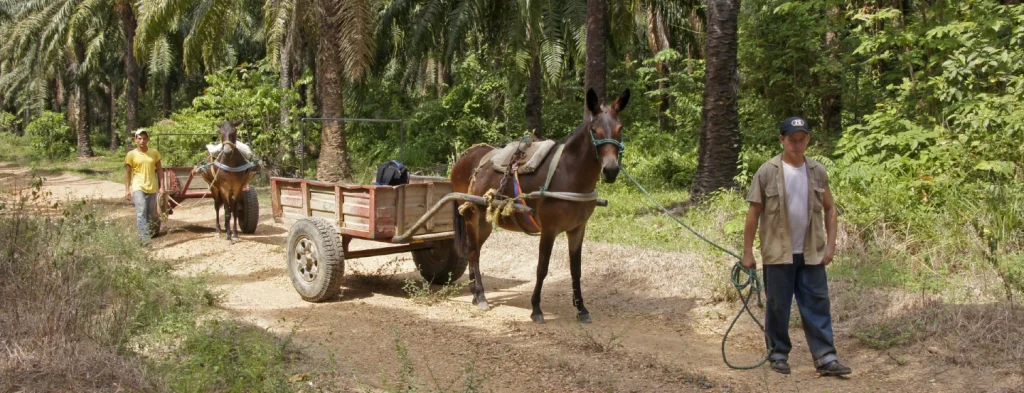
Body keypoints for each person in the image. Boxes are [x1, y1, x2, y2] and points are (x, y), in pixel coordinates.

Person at [741, 116, 852, 376]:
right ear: (782, 140)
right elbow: (753, 213)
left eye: (802, 139)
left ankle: (826, 358)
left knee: (817, 303)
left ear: (808, 140)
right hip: (778, 252)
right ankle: (778, 354)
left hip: (811, 251)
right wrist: (747, 252)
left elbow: (830, 207)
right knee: (778, 305)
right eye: (792, 140)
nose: (797, 144)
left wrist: (831, 245)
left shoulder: (817, 171)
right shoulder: (767, 171)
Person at [124, 128, 162, 246]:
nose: (142, 141)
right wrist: (127, 189)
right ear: (135, 140)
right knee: (141, 211)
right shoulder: (131, 155)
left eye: (144, 138)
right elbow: (128, 173)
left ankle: (150, 233)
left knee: (151, 213)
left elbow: (160, 170)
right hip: (138, 186)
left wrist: (162, 187)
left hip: (152, 186)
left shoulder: (154, 153)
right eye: (139, 138)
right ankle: (145, 241)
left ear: (148, 140)